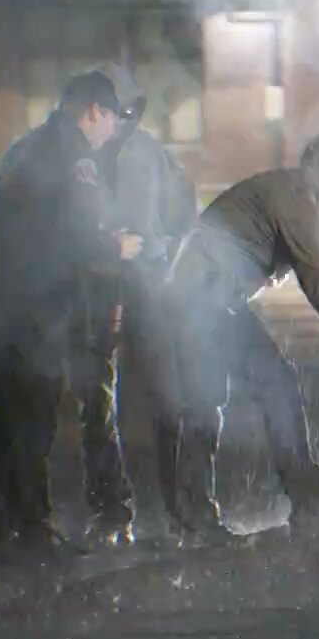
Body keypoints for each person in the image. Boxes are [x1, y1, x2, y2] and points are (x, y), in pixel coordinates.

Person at [157, 131, 319, 545]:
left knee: (221, 397)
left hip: (206, 295)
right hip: (202, 296)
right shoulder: (293, 200)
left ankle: (200, 512)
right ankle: (270, 505)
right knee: (259, 388)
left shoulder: (292, 192)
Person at [0, 71, 143, 561]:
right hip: (25, 305)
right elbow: (83, 232)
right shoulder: (73, 155)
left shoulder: (28, 145)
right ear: (93, 112)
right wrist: (120, 246)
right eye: (111, 119)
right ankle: (30, 528)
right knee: (32, 414)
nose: (111, 131)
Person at [69, 63, 197, 546]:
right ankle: (111, 508)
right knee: (97, 401)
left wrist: (162, 249)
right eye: (113, 111)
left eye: (128, 111)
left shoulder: (150, 153)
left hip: (149, 285)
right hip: (97, 285)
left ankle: (181, 506)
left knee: (168, 396)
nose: (120, 120)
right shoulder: (79, 155)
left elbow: (184, 210)